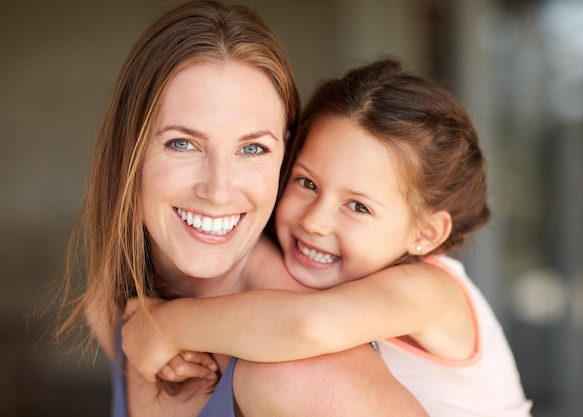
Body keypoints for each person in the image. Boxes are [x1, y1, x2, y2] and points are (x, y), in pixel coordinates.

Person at [55, 2, 429, 417]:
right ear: (129, 150)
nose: (218, 190)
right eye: (182, 143)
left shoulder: (297, 376)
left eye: (253, 148)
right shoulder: (115, 307)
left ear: (285, 155)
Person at [122, 59, 533, 416]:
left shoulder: (429, 290)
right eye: (306, 183)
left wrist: (162, 327)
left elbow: (307, 327)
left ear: (425, 233)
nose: (315, 221)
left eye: (358, 207)